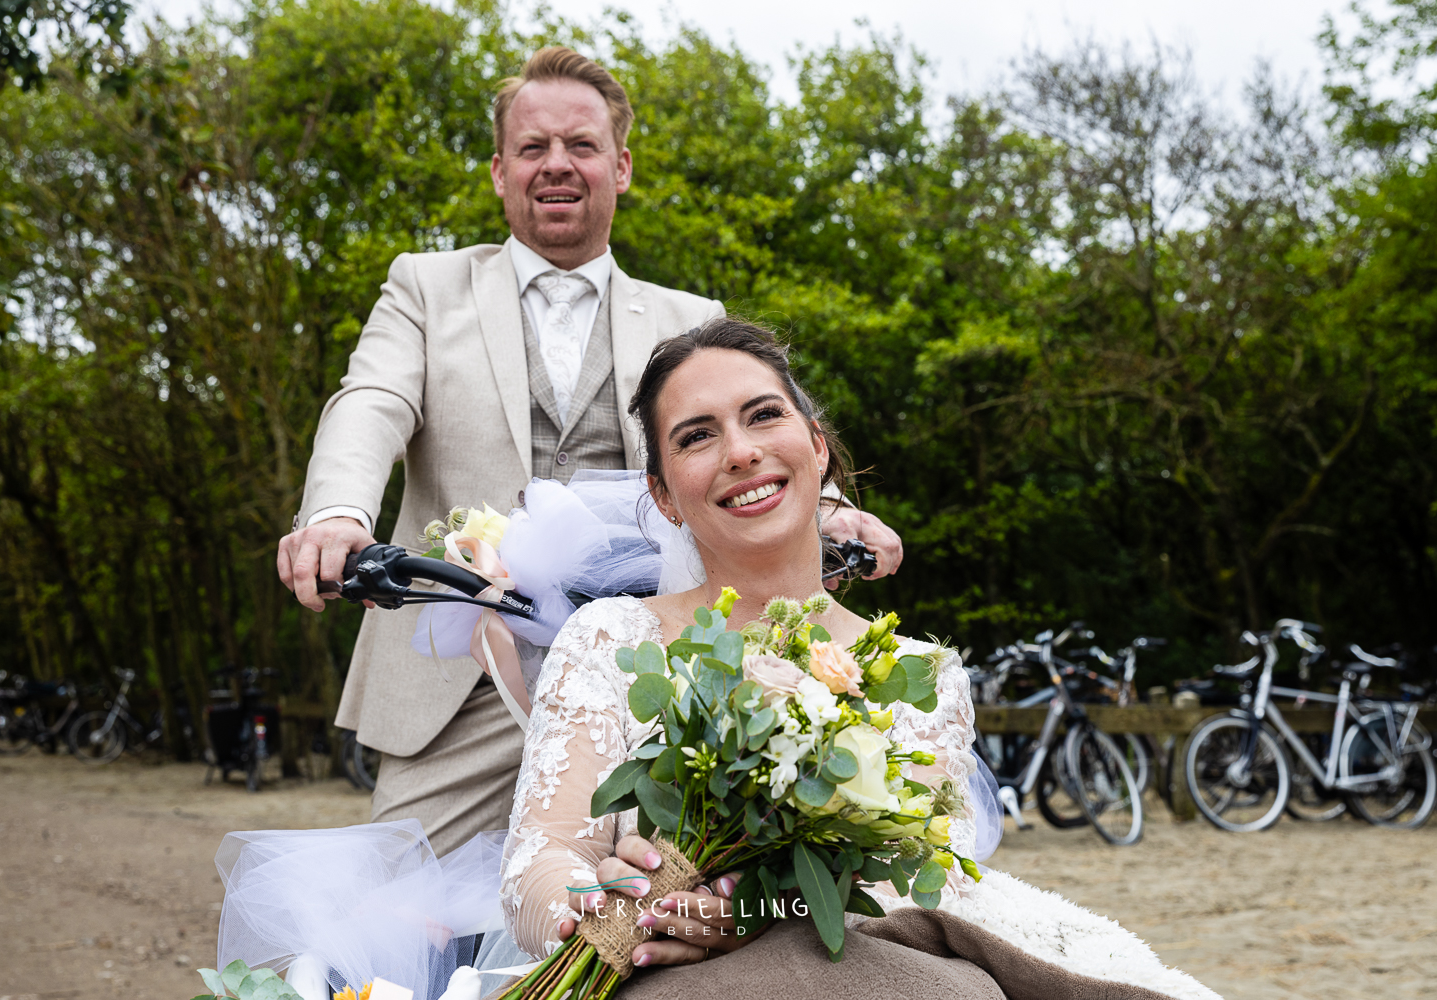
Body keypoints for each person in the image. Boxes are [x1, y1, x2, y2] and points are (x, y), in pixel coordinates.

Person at [275, 47, 904, 857]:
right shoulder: (424, 287)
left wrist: (831, 510)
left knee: (659, 908)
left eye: (581, 145)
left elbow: (741, 443)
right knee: (402, 919)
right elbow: (372, 402)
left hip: (654, 676)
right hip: (455, 680)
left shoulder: (688, 313)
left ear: (622, 166)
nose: (557, 165)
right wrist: (336, 514)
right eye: (533, 148)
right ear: (500, 172)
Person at [494, 318, 1221, 1000]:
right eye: (696, 436)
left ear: (817, 446)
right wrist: (609, 915)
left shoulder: (924, 677)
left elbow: (925, 893)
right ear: (664, 496)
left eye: (763, 416)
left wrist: (752, 908)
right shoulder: (611, 640)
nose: (741, 451)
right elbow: (541, 861)